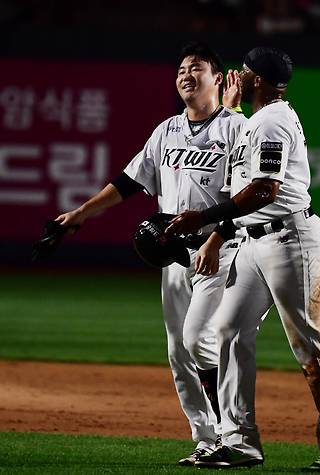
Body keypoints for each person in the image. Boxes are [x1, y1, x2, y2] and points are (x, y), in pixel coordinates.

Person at [165, 47, 320, 472]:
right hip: (255, 241)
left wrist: (205, 217)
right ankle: (239, 443)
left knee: (309, 345)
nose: (239, 74)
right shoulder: (256, 118)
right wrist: (232, 109)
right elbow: (242, 177)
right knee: (229, 331)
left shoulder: (272, 121)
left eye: (247, 71)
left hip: (292, 241)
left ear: (262, 81)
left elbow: (263, 191)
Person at [54, 42, 246, 466]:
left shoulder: (236, 128)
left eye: (196, 68)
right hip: (174, 257)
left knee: (201, 341)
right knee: (180, 350)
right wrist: (80, 214)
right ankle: (207, 439)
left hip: (222, 251)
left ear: (218, 78)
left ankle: (234, 435)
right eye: (180, 69)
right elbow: (128, 182)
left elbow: (244, 197)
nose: (185, 75)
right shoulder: (166, 131)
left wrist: (217, 238)